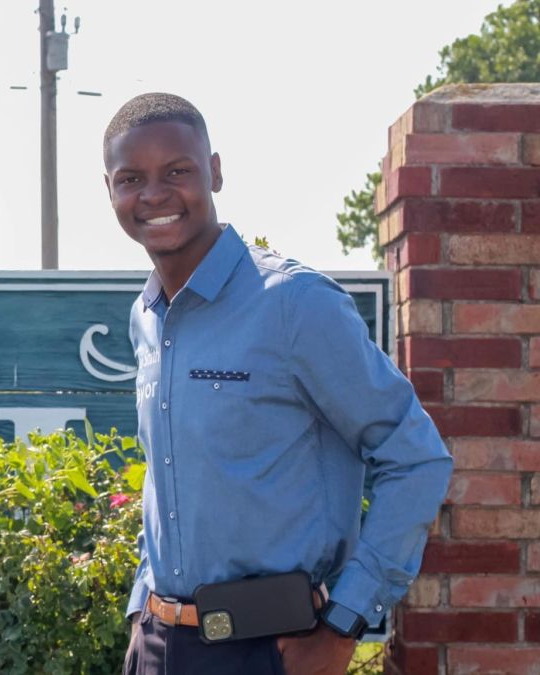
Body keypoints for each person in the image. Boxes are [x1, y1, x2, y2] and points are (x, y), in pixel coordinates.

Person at [106, 93, 452, 675]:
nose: (154, 194)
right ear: (110, 189)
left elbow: (416, 458)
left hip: (273, 650)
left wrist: (344, 625)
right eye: (131, 178)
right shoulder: (146, 317)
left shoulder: (294, 305)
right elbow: (170, 480)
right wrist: (144, 610)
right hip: (159, 648)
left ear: (214, 171)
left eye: (178, 171)